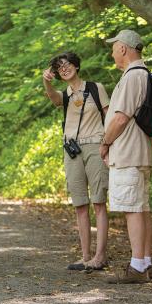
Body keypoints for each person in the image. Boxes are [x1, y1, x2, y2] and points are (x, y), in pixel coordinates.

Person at [43, 52, 110, 271]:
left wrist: (108, 146)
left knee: (99, 202)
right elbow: (53, 98)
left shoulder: (95, 88)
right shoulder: (65, 95)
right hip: (72, 150)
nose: (64, 68)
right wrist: (46, 82)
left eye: (68, 64)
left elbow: (109, 118)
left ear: (77, 66)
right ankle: (85, 256)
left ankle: (100, 257)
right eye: (59, 67)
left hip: (95, 147)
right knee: (80, 204)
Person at [100, 29, 152, 283]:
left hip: (127, 153)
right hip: (138, 152)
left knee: (132, 209)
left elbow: (121, 118)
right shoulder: (144, 74)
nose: (112, 52)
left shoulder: (133, 77)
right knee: (141, 208)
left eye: (114, 47)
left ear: (123, 48)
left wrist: (105, 142)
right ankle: (145, 261)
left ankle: (137, 267)